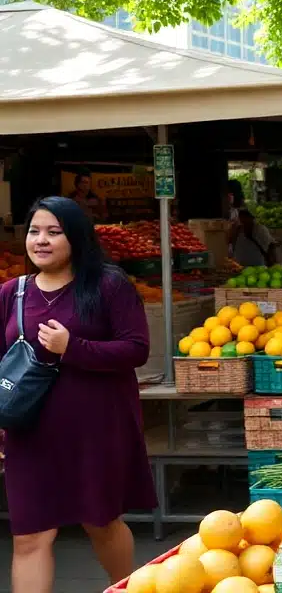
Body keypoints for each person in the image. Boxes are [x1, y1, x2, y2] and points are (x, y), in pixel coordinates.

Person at [1, 197, 155, 591]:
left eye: (54, 232)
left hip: (95, 431)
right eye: (35, 232)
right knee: (30, 535)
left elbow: (136, 348)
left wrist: (73, 347)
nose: (41, 241)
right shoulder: (11, 293)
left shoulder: (108, 285)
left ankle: (129, 587)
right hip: (29, 432)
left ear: (77, 237)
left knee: (101, 523)